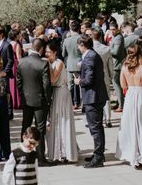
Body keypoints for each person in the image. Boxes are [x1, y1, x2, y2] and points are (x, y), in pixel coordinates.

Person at [115, 45, 142, 168]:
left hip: (131, 96)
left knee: (130, 124)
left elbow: (123, 85)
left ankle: (130, 152)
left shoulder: (124, 67)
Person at [16, 38, 52, 166]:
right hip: (40, 100)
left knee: (25, 126)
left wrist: (23, 96)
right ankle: (41, 158)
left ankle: (23, 154)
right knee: (40, 129)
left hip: (27, 99)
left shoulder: (21, 62)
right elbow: (46, 85)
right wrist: (48, 100)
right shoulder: (43, 64)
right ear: (41, 49)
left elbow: (18, 84)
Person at [75, 35, 108, 168]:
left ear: (83, 45)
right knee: (97, 127)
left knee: (95, 128)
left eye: (79, 46)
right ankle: (98, 153)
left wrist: (79, 81)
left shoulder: (89, 58)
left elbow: (88, 80)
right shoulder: (92, 55)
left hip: (93, 97)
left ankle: (99, 157)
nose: (78, 48)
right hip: (96, 95)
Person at [45, 41, 78, 163]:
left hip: (61, 92)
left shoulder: (58, 63)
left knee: (63, 119)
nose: (47, 54)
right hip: (55, 93)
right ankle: (57, 150)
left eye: (49, 52)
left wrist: (47, 65)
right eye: (46, 52)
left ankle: (65, 152)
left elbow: (53, 80)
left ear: (55, 52)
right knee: (55, 121)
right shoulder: (52, 62)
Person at [92, 29, 114, 128]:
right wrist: (111, 77)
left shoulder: (90, 49)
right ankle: (108, 119)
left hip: (92, 76)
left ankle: (96, 119)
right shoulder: (106, 49)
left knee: (94, 98)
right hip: (104, 75)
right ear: (100, 37)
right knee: (106, 97)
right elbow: (110, 66)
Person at [61, 21, 82, 109]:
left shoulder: (66, 40)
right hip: (80, 62)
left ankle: (71, 103)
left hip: (70, 63)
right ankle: (82, 103)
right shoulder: (81, 38)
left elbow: (63, 54)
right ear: (79, 29)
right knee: (81, 84)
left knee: (70, 85)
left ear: (71, 29)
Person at [109, 21, 126, 111]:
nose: (112, 31)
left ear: (117, 29)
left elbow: (115, 52)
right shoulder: (115, 37)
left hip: (117, 65)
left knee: (117, 85)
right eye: (111, 29)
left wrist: (108, 49)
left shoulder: (118, 38)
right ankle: (119, 102)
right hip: (116, 64)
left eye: (114, 29)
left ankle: (121, 105)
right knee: (117, 85)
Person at [8, 29, 23, 110]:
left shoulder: (9, 43)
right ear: (15, 36)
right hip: (15, 65)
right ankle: (17, 102)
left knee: (11, 84)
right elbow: (19, 57)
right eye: (18, 34)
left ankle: (12, 102)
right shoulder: (17, 44)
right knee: (17, 83)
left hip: (10, 65)